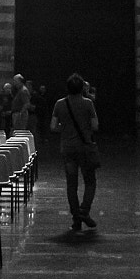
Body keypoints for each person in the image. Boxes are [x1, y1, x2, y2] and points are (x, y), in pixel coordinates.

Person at [51, 73, 99, 232]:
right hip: (84, 148)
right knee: (90, 181)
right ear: (82, 88)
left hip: (68, 149)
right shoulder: (88, 103)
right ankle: (84, 211)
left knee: (71, 184)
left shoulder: (59, 104)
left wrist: (64, 130)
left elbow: (53, 127)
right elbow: (95, 126)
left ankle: (76, 218)